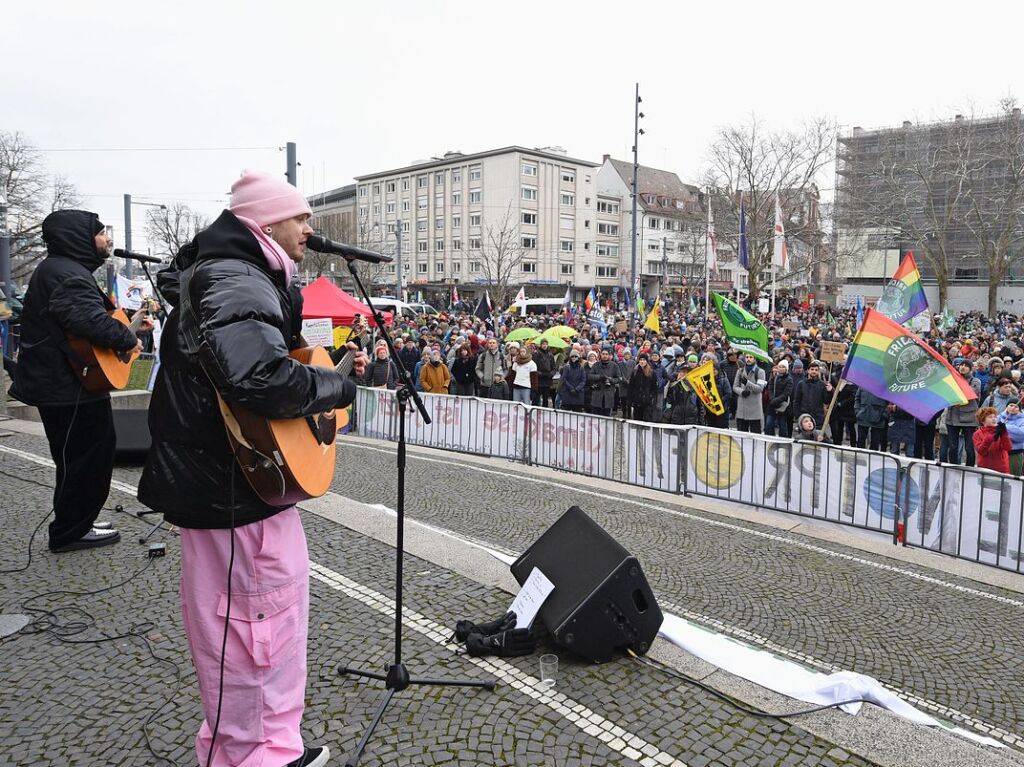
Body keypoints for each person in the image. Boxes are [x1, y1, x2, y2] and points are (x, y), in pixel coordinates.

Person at [138, 172, 367, 767]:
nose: (310, 230)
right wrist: (336, 385)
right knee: (261, 627)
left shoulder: (228, 273)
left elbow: (250, 363)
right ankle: (262, 754)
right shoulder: (235, 278)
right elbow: (258, 377)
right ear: (266, 223)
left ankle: (243, 747)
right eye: (300, 218)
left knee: (238, 627)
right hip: (235, 491)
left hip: (221, 485)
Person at [10, 209, 153, 553]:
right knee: (87, 458)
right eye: (101, 233)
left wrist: (128, 325)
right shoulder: (67, 274)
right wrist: (126, 339)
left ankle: (78, 520)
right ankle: (71, 531)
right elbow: (89, 322)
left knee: (76, 457)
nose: (107, 240)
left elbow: (78, 324)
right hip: (69, 387)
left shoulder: (59, 270)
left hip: (66, 384)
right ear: (80, 237)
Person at [945, 359, 982, 466]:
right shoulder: (952, 380)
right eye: (961, 365)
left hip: (969, 418)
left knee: (969, 448)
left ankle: (969, 469)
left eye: (966, 365)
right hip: (952, 417)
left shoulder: (975, 381)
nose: (963, 367)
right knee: (952, 447)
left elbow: (971, 393)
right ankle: (953, 467)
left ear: (970, 369)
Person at [792, 360, 832, 428]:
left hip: (818, 418)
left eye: (816, 370)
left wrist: (829, 391)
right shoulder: (801, 384)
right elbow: (796, 401)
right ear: (808, 370)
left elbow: (826, 401)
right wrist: (798, 415)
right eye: (812, 369)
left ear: (818, 371)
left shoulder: (822, 384)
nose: (814, 371)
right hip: (804, 416)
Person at [732, 353, 766, 433]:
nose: (748, 359)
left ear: (754, 359)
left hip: (754, 410)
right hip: (742, 409)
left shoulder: (760, 372)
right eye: (747, 357)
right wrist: (742, 392)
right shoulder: (740, 371)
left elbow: (760, 389)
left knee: (755, 435)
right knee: (742, 436)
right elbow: (735, 387)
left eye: (751, 357)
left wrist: (747, 383)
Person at [973, 406, 1011, 474]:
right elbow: (982, 451)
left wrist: (1004, 434)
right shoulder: (977, 434)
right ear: (982, 420)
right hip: (984, 468)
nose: (994, 419)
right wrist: (990, 438)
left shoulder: (1000, 431)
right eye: (990, 417)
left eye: (995, 417)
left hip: (1001, 468)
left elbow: (1008, 447)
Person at [764, 360, 794, 438]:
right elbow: (769, 389)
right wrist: (772, 399)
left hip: (782, 406)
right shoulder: (774, 378)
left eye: (783, 367)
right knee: (769, 424)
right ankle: (769, 440)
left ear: (786, 369)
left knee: (782, 427)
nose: (781, 368)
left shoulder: (789, 380)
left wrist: (776, 400)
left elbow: (786, 393)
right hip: (772, 405)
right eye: (779, 366)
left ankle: (783, 443)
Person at [587, 347, 620, 417]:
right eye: (603, 354)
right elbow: (589, 376)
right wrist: (599, 377)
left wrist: (610, 380)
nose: (604, 355)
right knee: (595, 418)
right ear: (600, 355)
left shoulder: (614, 366)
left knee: (606, 418)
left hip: (608, 395)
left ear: (609, 355)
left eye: (606, 354)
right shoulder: (596, 365)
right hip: (597, 395)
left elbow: (618, 379)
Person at [627, 352, 659, 421]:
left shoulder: (651, 372)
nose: (642, 361)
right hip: (637, 401)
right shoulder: (635, 372)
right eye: (640, 360)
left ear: (647, 361)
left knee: (647, 420)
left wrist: (651, 397)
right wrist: (630, 399)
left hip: (647, 402)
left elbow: (655, 387)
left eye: (644, 360)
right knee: (637, 420)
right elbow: (631, 386)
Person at [1000, 398, 1024, 476]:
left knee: (1013, 478)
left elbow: (1021, 435)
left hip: (1015, 454)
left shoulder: (1022, 420)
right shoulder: (999, 417)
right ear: (1006, 407)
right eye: (1011, 405)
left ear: (1019, 409)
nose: (1013, 408)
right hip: (1000, 453)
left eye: (1016, 406)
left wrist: (1005, 428)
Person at [533, 338, 555, 407]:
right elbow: (534, 367)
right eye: (543, 344)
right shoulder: (536, 353)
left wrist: (551, 374)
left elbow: (553, 368)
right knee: (536, 399)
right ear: (541, 345)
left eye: (546, 344)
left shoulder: (550, 355)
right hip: (539, 380)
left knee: (545, 399)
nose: (545, 345)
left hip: (547, 380)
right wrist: (540, 374)